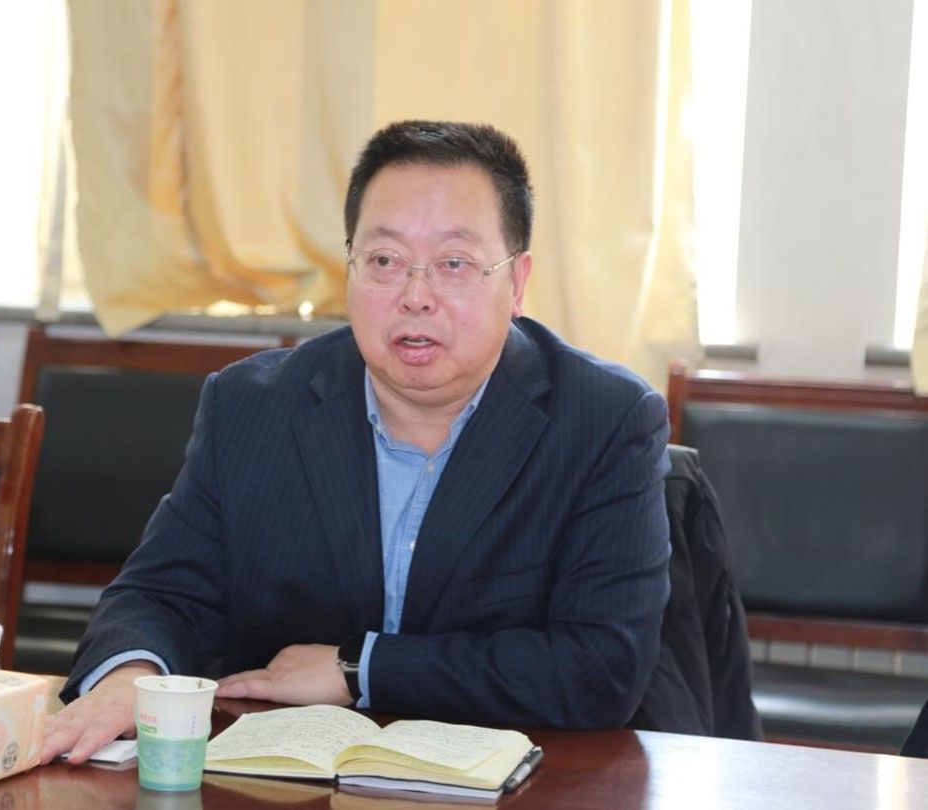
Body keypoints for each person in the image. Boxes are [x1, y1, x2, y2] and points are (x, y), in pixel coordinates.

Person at [41, 120, 671, 764]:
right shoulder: (252, 407)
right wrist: (132, 675)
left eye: (454, 264)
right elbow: (160, 594)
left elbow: (602, 667)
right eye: (384, 261)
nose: (415, 296)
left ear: (516, 283)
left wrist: (359, 668)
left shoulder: (604, 420)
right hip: (282, 778)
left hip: (530, 779)